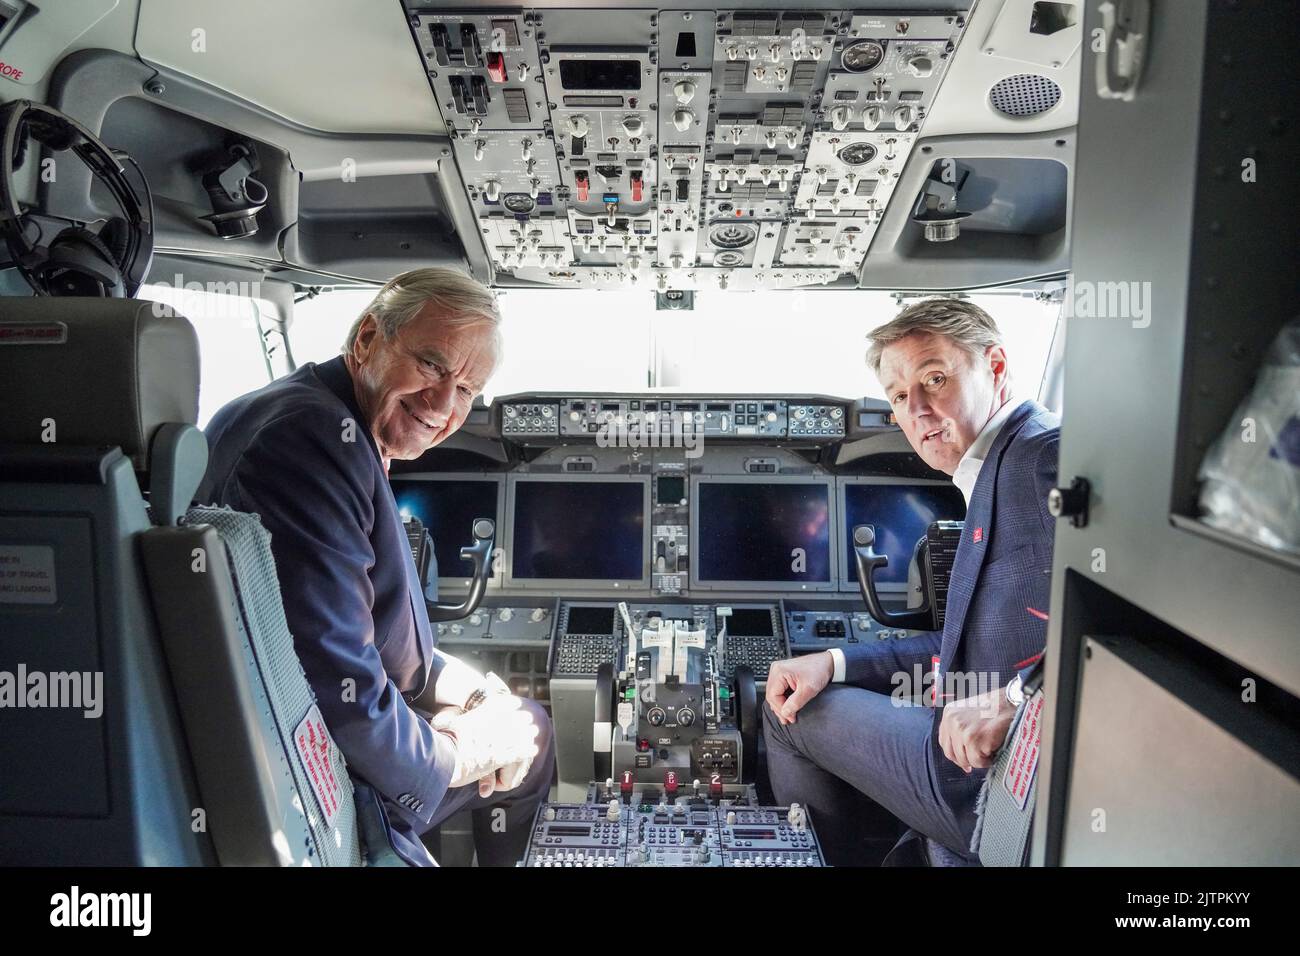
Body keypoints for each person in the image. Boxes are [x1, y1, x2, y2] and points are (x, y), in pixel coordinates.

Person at [198, 267, 553, 866]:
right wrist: (459, 754)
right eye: (434, 365)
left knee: (516, 720)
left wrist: (470, 696)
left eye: (467, 390)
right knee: (530, 733)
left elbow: (360, 633)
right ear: (367, 339)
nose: (443, 404)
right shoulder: (312, 439)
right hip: (308, 767)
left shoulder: (314, 417)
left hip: (282, 725)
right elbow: (334, 678)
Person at [762, 298, 1059, 865]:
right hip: (975, 749)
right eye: (899, 396)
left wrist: (1019, 702)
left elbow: (1143, 616)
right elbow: (961, 656)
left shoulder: (1046, 457)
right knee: (810, 686)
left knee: (785, 715)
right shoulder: (998, 466)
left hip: (996, 789)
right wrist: (833, 662)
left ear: (996, 366)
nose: (917, 409)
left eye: (936, 378)